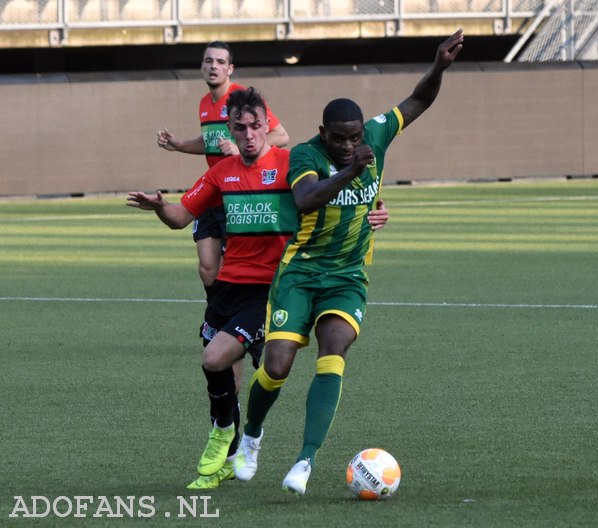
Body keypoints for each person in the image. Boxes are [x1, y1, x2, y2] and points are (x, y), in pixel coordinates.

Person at [232, 28, 464, 496]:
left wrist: (438, 66)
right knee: (276, 365)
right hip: (300, 272)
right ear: (324, 134)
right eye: (339, 138)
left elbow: (418, 101)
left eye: (354, 138)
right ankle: (252, 436)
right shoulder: (306, 154)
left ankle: (304, 461)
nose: (348, 144)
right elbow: (306, 199)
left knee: (334, 349)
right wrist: (351, 170)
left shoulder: (375, 136)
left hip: (347, 276)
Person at [129, 88, 389, 490]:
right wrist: (159, 206)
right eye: (240, 127)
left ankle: (233, 441)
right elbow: (180, 217)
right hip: (227, 288)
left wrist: (375, 211)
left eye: (255, 126)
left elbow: (346, 194)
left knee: (223, 360)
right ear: (229, 129)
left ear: (267, 126)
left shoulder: (294, 163)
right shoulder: (222, 172)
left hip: (273, 287)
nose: (248, 134)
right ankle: (227, 458)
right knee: (223, 378)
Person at [156, 41, 289, 451]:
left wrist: (370, 206)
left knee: (243, 353)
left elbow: (284, 139)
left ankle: (241, 427)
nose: (213, 66)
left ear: (232, 67)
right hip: (218, 192)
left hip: (248, 206)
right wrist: (178, 151)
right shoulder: (205, 107)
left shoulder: (247, 106)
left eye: (220, 61)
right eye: (207, 60)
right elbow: (180, 213)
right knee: (208, 271)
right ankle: (226, 430)